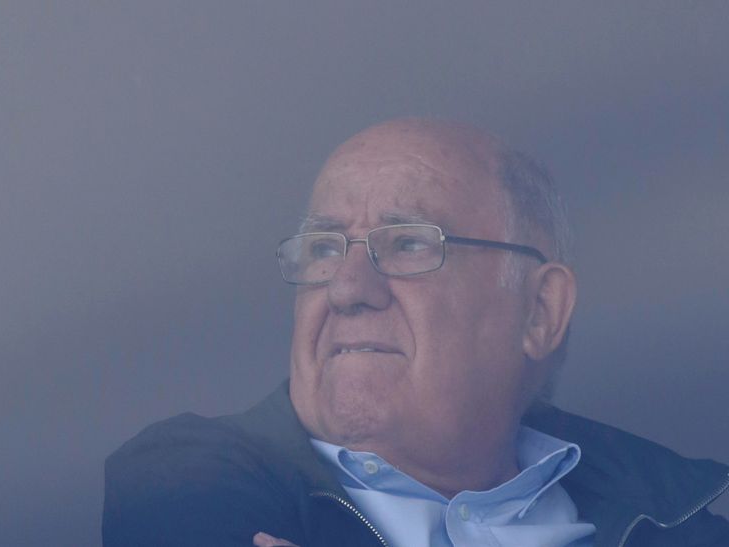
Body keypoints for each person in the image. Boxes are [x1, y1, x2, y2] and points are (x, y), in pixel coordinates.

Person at [102, 119, 729, 546]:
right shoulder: (190, 486)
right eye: (324, 248)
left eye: (407, 244)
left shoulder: (682, 524)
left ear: (539, 311)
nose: (346, 289)